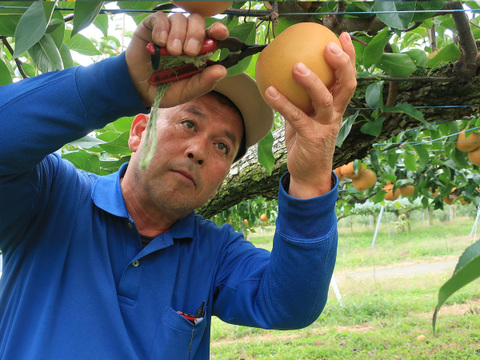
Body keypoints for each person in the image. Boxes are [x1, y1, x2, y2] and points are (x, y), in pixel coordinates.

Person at [0, 10, 356, 360]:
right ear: (139, 133)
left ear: (220, 182)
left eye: (222, 146)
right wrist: (121, 81)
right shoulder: (51, 197)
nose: (199, 150)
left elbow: (292, 304)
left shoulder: (213, 253)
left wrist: (309, 180)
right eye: (188, 123)